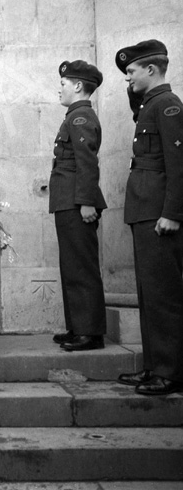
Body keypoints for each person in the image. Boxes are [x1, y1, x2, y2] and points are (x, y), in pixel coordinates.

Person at [115, 39, 183, 396]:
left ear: (151, 70)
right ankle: (154, 366)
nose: (128, 78)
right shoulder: (150, 105)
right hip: (145, 211)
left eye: (131, 72)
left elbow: (178, 164)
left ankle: (170, 372)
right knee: (148, 294)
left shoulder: (168, 106)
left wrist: (172, 213)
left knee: (164, 296)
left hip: (159, 214)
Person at [49, 60, 107, 352]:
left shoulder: (81, 117)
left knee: (82, 267)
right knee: (71, 266)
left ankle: (90, 332)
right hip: (68, 200)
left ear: (78, 86)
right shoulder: (74, 116)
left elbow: (87, 164)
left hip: (76, 202)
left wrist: (86, 202)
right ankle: (78, 327)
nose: (59, 89)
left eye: (63, 84)